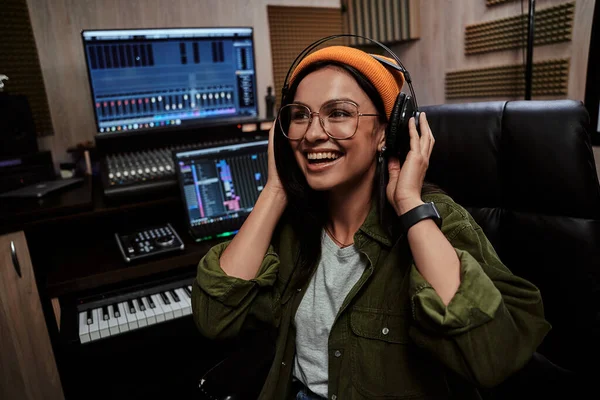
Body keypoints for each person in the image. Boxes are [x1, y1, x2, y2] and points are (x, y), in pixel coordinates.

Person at [192, 45, 551, 399]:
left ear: (385, 133)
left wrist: (410, 206)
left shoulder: (437, 220)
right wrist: (274, 190)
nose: (313, 133)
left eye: (338, 113)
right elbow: (215, 319)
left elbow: (493, 357)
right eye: (300, 115)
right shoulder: (293, 226)